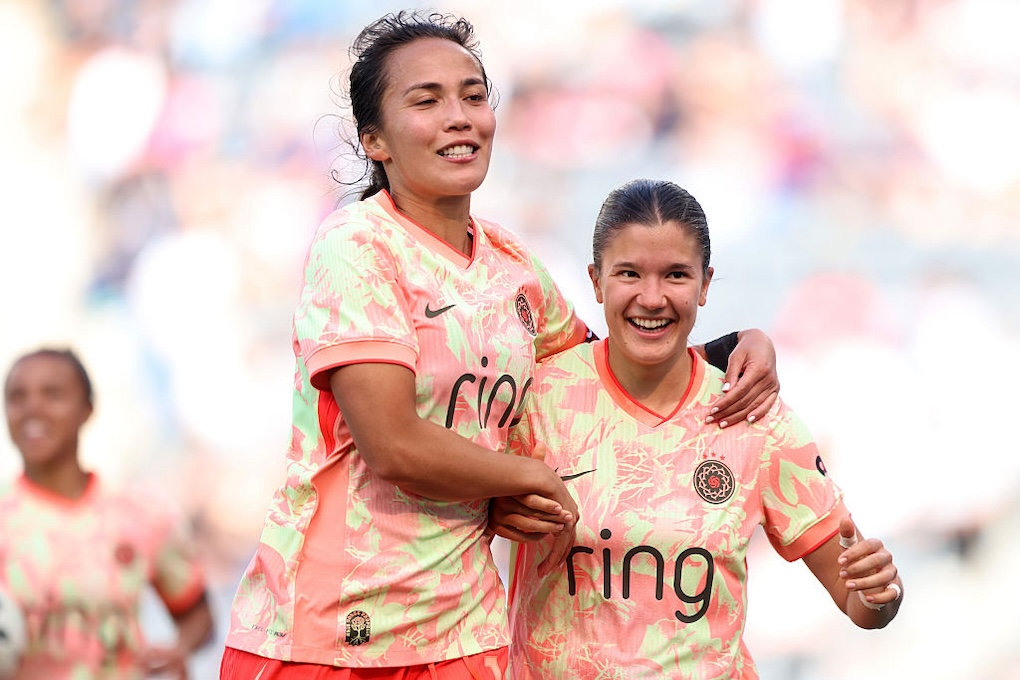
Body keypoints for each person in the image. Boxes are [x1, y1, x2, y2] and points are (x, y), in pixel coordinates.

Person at [220, 11, 780, 679]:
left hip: (464, 638)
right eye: (426, 100)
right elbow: (392, 443)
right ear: (375, 140)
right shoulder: (357, 247)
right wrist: (524, 476)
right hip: (326, 631)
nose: (460, 116)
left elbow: (607, 379)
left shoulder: (513, 266)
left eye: (473, 94)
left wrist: (735, 347)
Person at [493, 179, 904, 679]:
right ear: (596, 281)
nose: (652, 297)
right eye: (629, 273)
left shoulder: (754, 415)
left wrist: (879, 592)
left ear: (706, 284)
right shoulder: (537, 399)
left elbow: (861, 603)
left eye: (676, 275)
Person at [0, 348, 214, 679]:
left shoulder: (143, 513)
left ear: (87, 410)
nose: (33, 408)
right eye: (17, 396)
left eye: (52, 394)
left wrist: (179, 648)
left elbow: (197, 614)